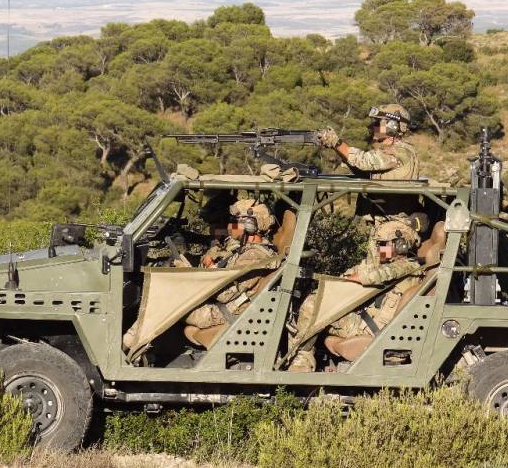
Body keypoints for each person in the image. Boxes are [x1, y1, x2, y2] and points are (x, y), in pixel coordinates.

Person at [288, 213, 427, 371]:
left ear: (401, 245)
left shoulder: (410, 266)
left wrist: (357, 278)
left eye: (383, 244)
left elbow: (378, 274)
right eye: (378, 244)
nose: (378, 249)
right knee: (317, 300)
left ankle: (301, 363)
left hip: (374, 331)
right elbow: (348, 277)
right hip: (364, 321)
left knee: (313, 305)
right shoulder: (381, 265)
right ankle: (300, 359)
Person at [183, 198, 279, 341]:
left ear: (249, 225)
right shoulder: (247, 250)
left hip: (226, 312)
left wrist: (205, 274)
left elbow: (224, 295)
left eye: (235, 221)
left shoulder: (254, 256)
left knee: (167, 305)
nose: (229, 226)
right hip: (225, 307)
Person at [317, 104, 419, 181]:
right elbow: (361, 170)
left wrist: (335, 141)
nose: (372, 127)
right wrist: (336, 147)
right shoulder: (395, 149)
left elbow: (363, 161)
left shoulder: (400, 151)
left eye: (377, 123)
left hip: (393, 209)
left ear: (392, 126)